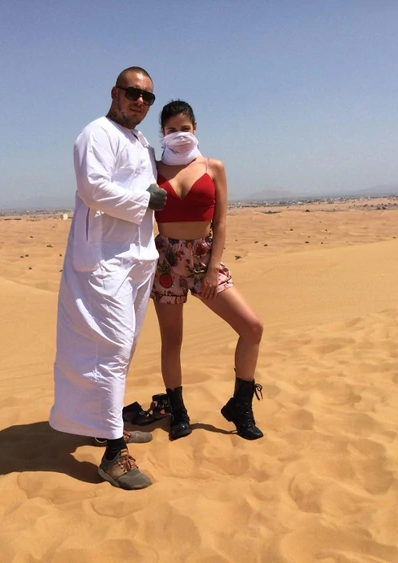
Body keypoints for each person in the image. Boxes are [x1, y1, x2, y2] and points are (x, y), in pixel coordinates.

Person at [49, 67, 168, 490]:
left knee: (125, 345)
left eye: (148, 97)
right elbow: (92, 187)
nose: (140, 101)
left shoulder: (141, 142)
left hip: (137, 257)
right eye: (133, 93)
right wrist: (144, 199)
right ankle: (113, 455)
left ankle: (106, 422)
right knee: (111, 346)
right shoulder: (95, 134)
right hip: (103, 260)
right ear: (115, 93)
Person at [151, 100, 264, 441]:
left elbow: (222, 222)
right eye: (171, 130)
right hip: (166, 260)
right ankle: (178, 411)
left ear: (195, 128)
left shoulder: (214, 167)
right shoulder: (152, 168)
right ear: (162, 133)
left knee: (252, 327)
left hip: (204, 258)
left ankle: (240, 406)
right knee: (172, 340)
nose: (179, 135)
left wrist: (213, 267)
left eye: (184, 128)